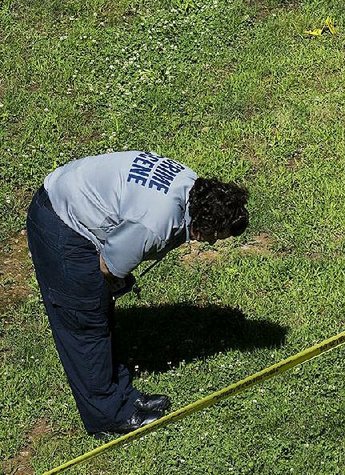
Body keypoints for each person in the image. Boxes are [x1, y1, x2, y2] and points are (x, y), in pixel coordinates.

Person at [25, 151, 249, 437]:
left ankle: (123, 397)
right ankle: (106, 417)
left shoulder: (192, 186)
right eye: (215, 238)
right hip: (60, 223)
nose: (212, 243)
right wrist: (105, 286)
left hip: (67, 195)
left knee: (99, 314)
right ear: (204, 226)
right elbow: (108, 268)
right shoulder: (155, 221)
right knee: (85, 323)